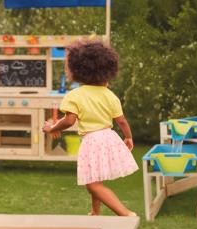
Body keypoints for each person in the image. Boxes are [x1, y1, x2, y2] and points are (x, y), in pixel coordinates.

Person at [42, 39, 138, 217]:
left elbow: (69, 121)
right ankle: (95, 212)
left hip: (93, 141)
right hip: (109, 137)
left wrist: (52, 127)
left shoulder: (75, 96)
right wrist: (128, 138)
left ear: (78, 70)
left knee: (92, 183)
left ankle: (126, 214)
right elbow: (122, 121)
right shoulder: (110, 95)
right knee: (95, 178)